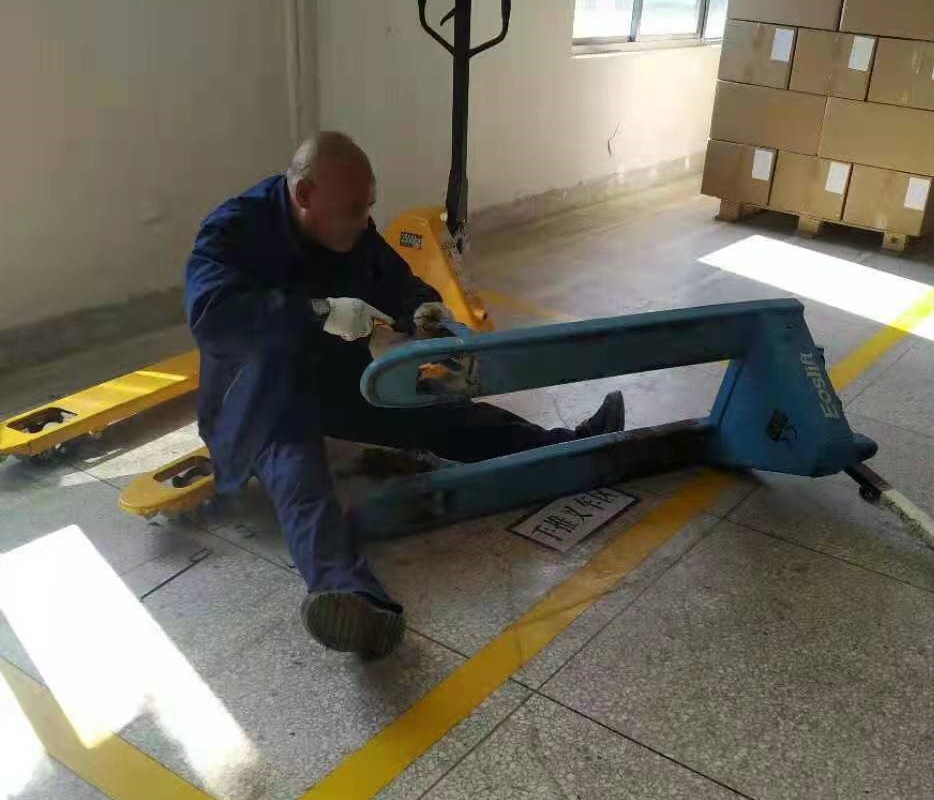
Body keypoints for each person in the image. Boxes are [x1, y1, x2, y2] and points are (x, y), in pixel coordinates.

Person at [185, 132, 626, 660]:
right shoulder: (233, 230)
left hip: (334, 380)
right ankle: (350, 598)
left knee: (440, 413)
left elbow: (389, 275)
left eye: (368, 207)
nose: (363, 220)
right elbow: (213, 317)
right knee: (301, 481)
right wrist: (318, 312)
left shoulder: (349, 223)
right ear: (303, 195)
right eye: (353, 210)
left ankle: (568, 446)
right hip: (260, 399)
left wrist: (422, 307)